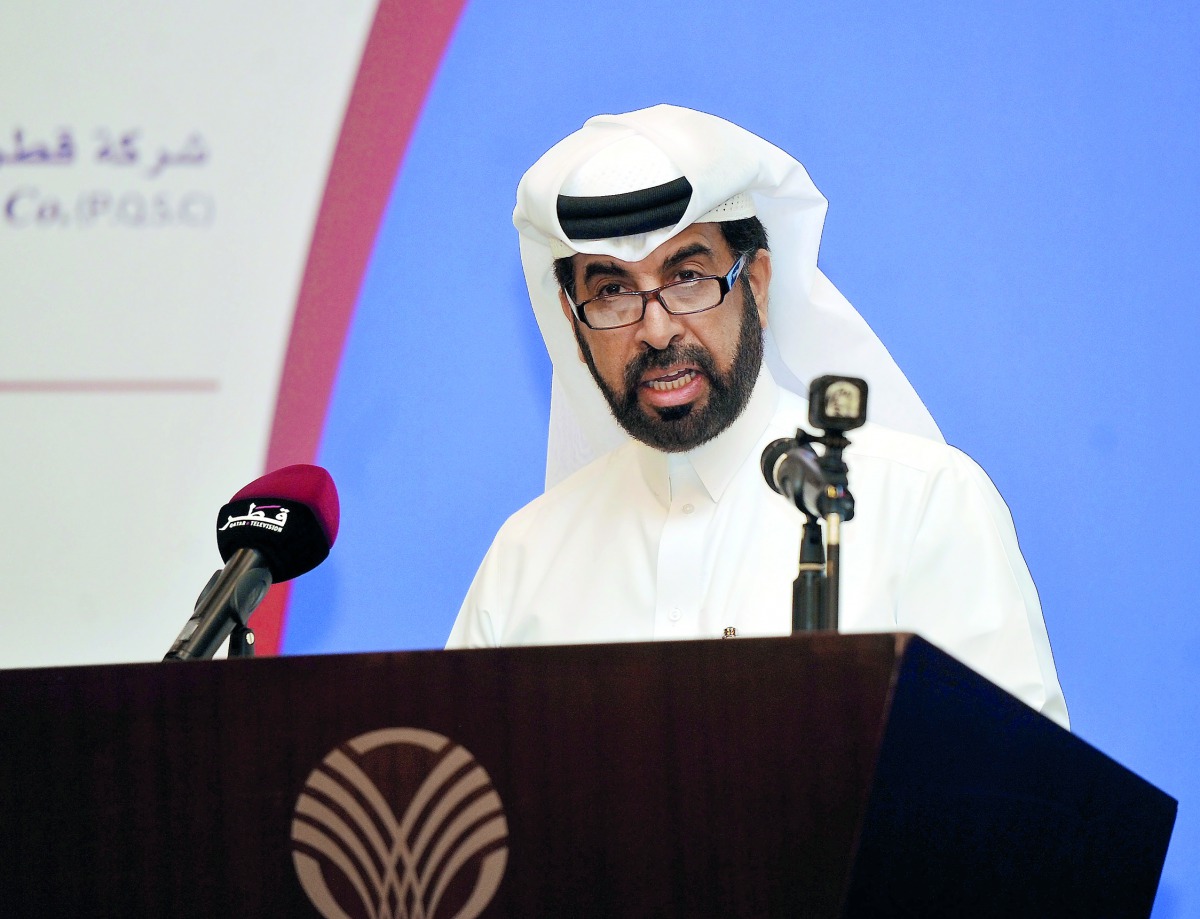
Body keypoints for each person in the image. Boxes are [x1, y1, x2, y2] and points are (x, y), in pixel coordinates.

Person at [446, 105, 1068, 728]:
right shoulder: (525, 561)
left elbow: (1027, 804)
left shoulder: (923, 504)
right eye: (612, 292)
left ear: (759, 284)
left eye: (688, 276)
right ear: (572, 316)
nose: (656, 329)